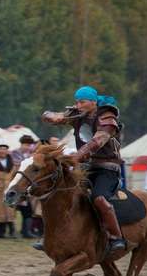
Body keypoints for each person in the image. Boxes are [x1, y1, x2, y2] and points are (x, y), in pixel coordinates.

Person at [42, 85, 126, 255]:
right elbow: (55, 117)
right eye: (77, 102)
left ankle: (117, 237)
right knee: (59, 194)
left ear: (94, 102)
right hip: (86, 166)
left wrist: (76, 157)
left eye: (82, 102)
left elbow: (96, 142)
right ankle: (51, 236)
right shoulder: (78, 113)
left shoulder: (107, 118)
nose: (78, 105)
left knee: (99, 198)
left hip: (106, 168)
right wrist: (50, 115)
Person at [11, 134, 38, 238]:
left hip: (25, 185)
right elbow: (18, 167)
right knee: (12, 210)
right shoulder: (15, 153)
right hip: (15, 183)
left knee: (27, 210)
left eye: (29, 145)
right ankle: (13, 231)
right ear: (21, 144)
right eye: (25, 144)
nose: (27, 147)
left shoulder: (29, 155)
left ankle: (25, 231)